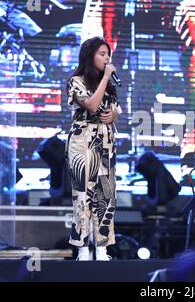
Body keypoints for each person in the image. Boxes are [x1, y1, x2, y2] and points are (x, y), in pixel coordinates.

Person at [65, 36, 122, 261]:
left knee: (105, 196)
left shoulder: (108, 85)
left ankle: (102, 249)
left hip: (106, 144)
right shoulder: (76, 81)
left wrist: (114, 114)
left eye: (108, 54)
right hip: (83, 142)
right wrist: (106, 76)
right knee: (83, 196)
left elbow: (114, 110)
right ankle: (82, 250)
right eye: (102, 54)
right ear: (90, 56)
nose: (107, 58)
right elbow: (91, 105)